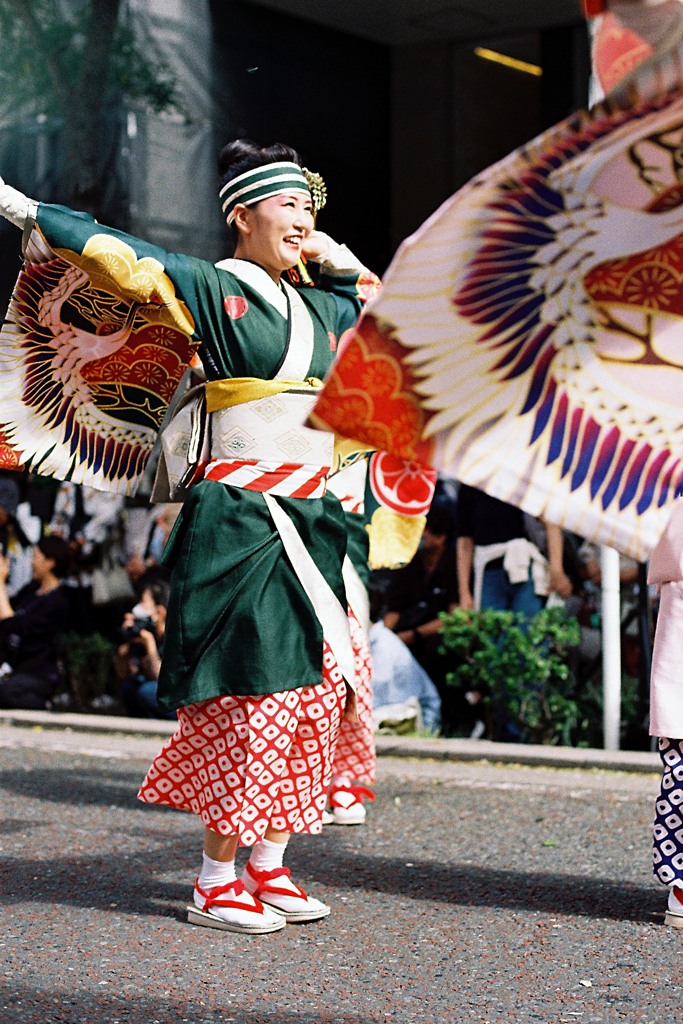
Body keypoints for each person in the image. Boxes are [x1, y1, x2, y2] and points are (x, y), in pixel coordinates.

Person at [0, 139, 380, 934]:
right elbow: (126, 258)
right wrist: (25, 209)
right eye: (287, 204)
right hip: (241, 517)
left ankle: (269, 864)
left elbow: (378, 304)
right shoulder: (214, 287)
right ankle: (214, 877)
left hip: (314, 520)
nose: (303, 217)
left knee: (312, 691)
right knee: (250, 691)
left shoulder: (320, 305)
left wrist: (331, 252)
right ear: (240, 216)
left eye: (310, 205)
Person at [382, 505, 459, 730]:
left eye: (421, 531)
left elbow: (456, 616)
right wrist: (384, 640)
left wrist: (414, 635)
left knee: (438, 650)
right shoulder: (409, 564)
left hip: (437, 638)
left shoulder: (453, 563)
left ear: (440, 537)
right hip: (408, 637)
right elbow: (393, 612)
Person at [455, 484, 572, 614]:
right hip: (488, 570)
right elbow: (465, 541)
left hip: (524, 567)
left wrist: (556, 569)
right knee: (490, 629)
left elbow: (551, 524)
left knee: (528, 627)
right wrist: (464, 592)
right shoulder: (470, 484)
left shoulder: (521, 476)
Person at [0, 535, 70, 709]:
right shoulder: (31, 591)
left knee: (5, 692)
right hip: (13, 667)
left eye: (36, 557)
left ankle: (45, 706)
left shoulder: (57, 602)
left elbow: (14, 623)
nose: (32, 563)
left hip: (38, 673)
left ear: (50, 562)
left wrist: (0, 582)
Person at [115, 581, 173, 720]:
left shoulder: (174, 638)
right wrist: (126, 641)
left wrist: (150, 645)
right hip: (157, 693)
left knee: (147, 691)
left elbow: (161, 679)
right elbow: (124, 674)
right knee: (129, 687)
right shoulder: (144, 633)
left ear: (160, 611)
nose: (137, 608)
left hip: (180, 704)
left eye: (143, 601)